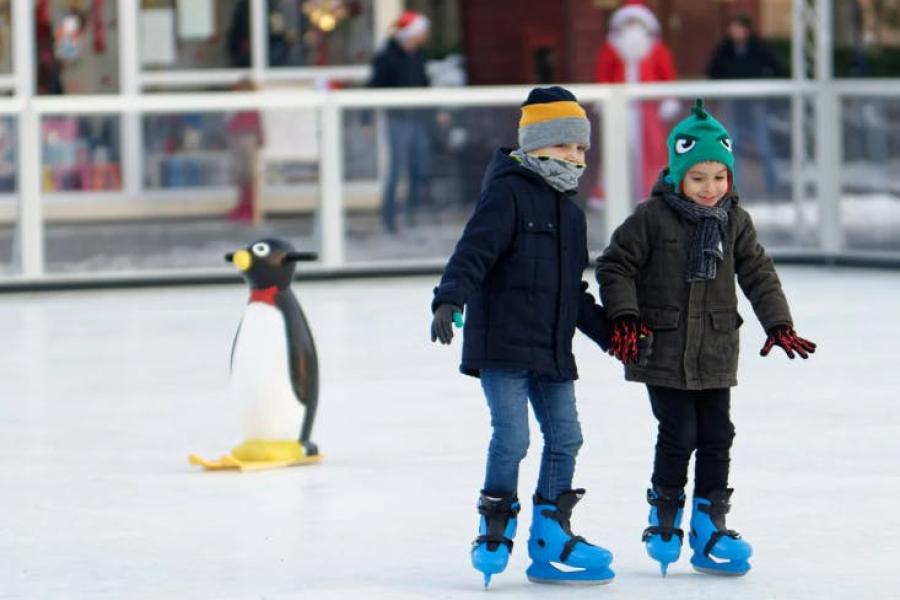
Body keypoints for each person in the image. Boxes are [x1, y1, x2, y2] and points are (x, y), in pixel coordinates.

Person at [596, 99, 816, 577]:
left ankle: (709, 521)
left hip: (715, 346)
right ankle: (665, 514)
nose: (710, 188)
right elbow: (615, 265)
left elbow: (758, 272)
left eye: (719, 177)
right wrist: (626, 317)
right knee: (679, 433)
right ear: (677, 175)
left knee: (718, 434)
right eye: (698, 177)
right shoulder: (651, 217)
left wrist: (778, 323)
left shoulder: (735, 221)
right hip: (663, 347)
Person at [431, 86, 631, 588]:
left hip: (550, 350)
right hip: (502, 344)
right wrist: (448, 298)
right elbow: (473, 253)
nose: (576, 158)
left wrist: (612, 335)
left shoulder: (571, 212)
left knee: (567, 437)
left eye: (582, 149)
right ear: (537, 143)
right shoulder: (507, 193)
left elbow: (573, 291)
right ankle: (495, 523)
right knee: (513, 437)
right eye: (565, 146)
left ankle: (551, 533)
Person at [594, 0, 679, 202]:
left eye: (637, 23)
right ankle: (610, 193)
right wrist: (603, 100)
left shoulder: (657, 49)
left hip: (648, 108)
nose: (633, 28)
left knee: (653, 150)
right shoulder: (611, 47)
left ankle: (653, 191)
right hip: (619, 107)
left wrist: (669, 99)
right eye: (629, 23)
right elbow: (603, 75)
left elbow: (667, 75)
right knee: (616, 148)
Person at [707, 14, 785, 196]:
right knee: (732, 146)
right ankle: (733, 188)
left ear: (747, 30)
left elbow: (776, 70)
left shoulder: (759, 48)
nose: (735, 32)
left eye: (738, 28)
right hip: (732, 105)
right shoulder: (724, 50)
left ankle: (773, 187)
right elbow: (713, 72)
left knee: (765, 145)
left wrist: (766, 88)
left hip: (756, 105)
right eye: (733, 28)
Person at [367, 10, 432, 234]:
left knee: (418, 165)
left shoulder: (418, 55)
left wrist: (435, 112)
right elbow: (373, 88)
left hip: (418, 118)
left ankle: (411, 213)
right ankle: (389, 216)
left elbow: (425, 85)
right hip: (397, 119)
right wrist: (367, 119)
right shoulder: (387, 57)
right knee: (397, 168)